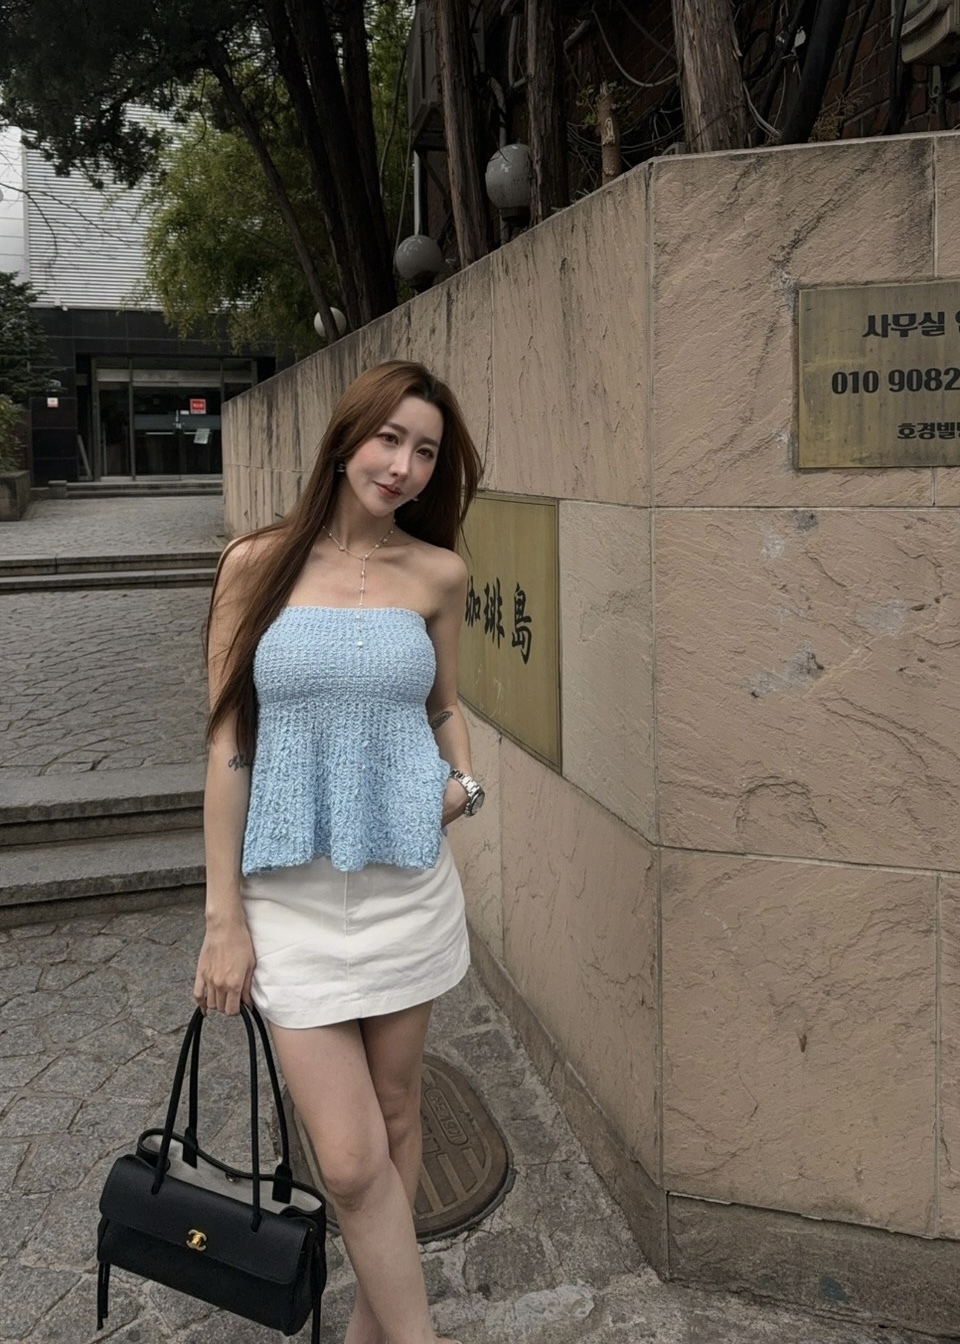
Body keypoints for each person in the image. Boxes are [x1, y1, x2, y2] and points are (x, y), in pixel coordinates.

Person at [193, 360, 485, 1344]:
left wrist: (463, 785)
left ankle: (373, 1328)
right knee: (352, 1162)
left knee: (398, 1115)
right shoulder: (257, 564)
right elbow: (229, 744)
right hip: (290, 902)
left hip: (406, 889)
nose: (402, 466)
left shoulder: (437, 573)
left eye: (425, 451)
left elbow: (444, 706)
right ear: (345, 439)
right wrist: (224, 918)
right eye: (388, 439)